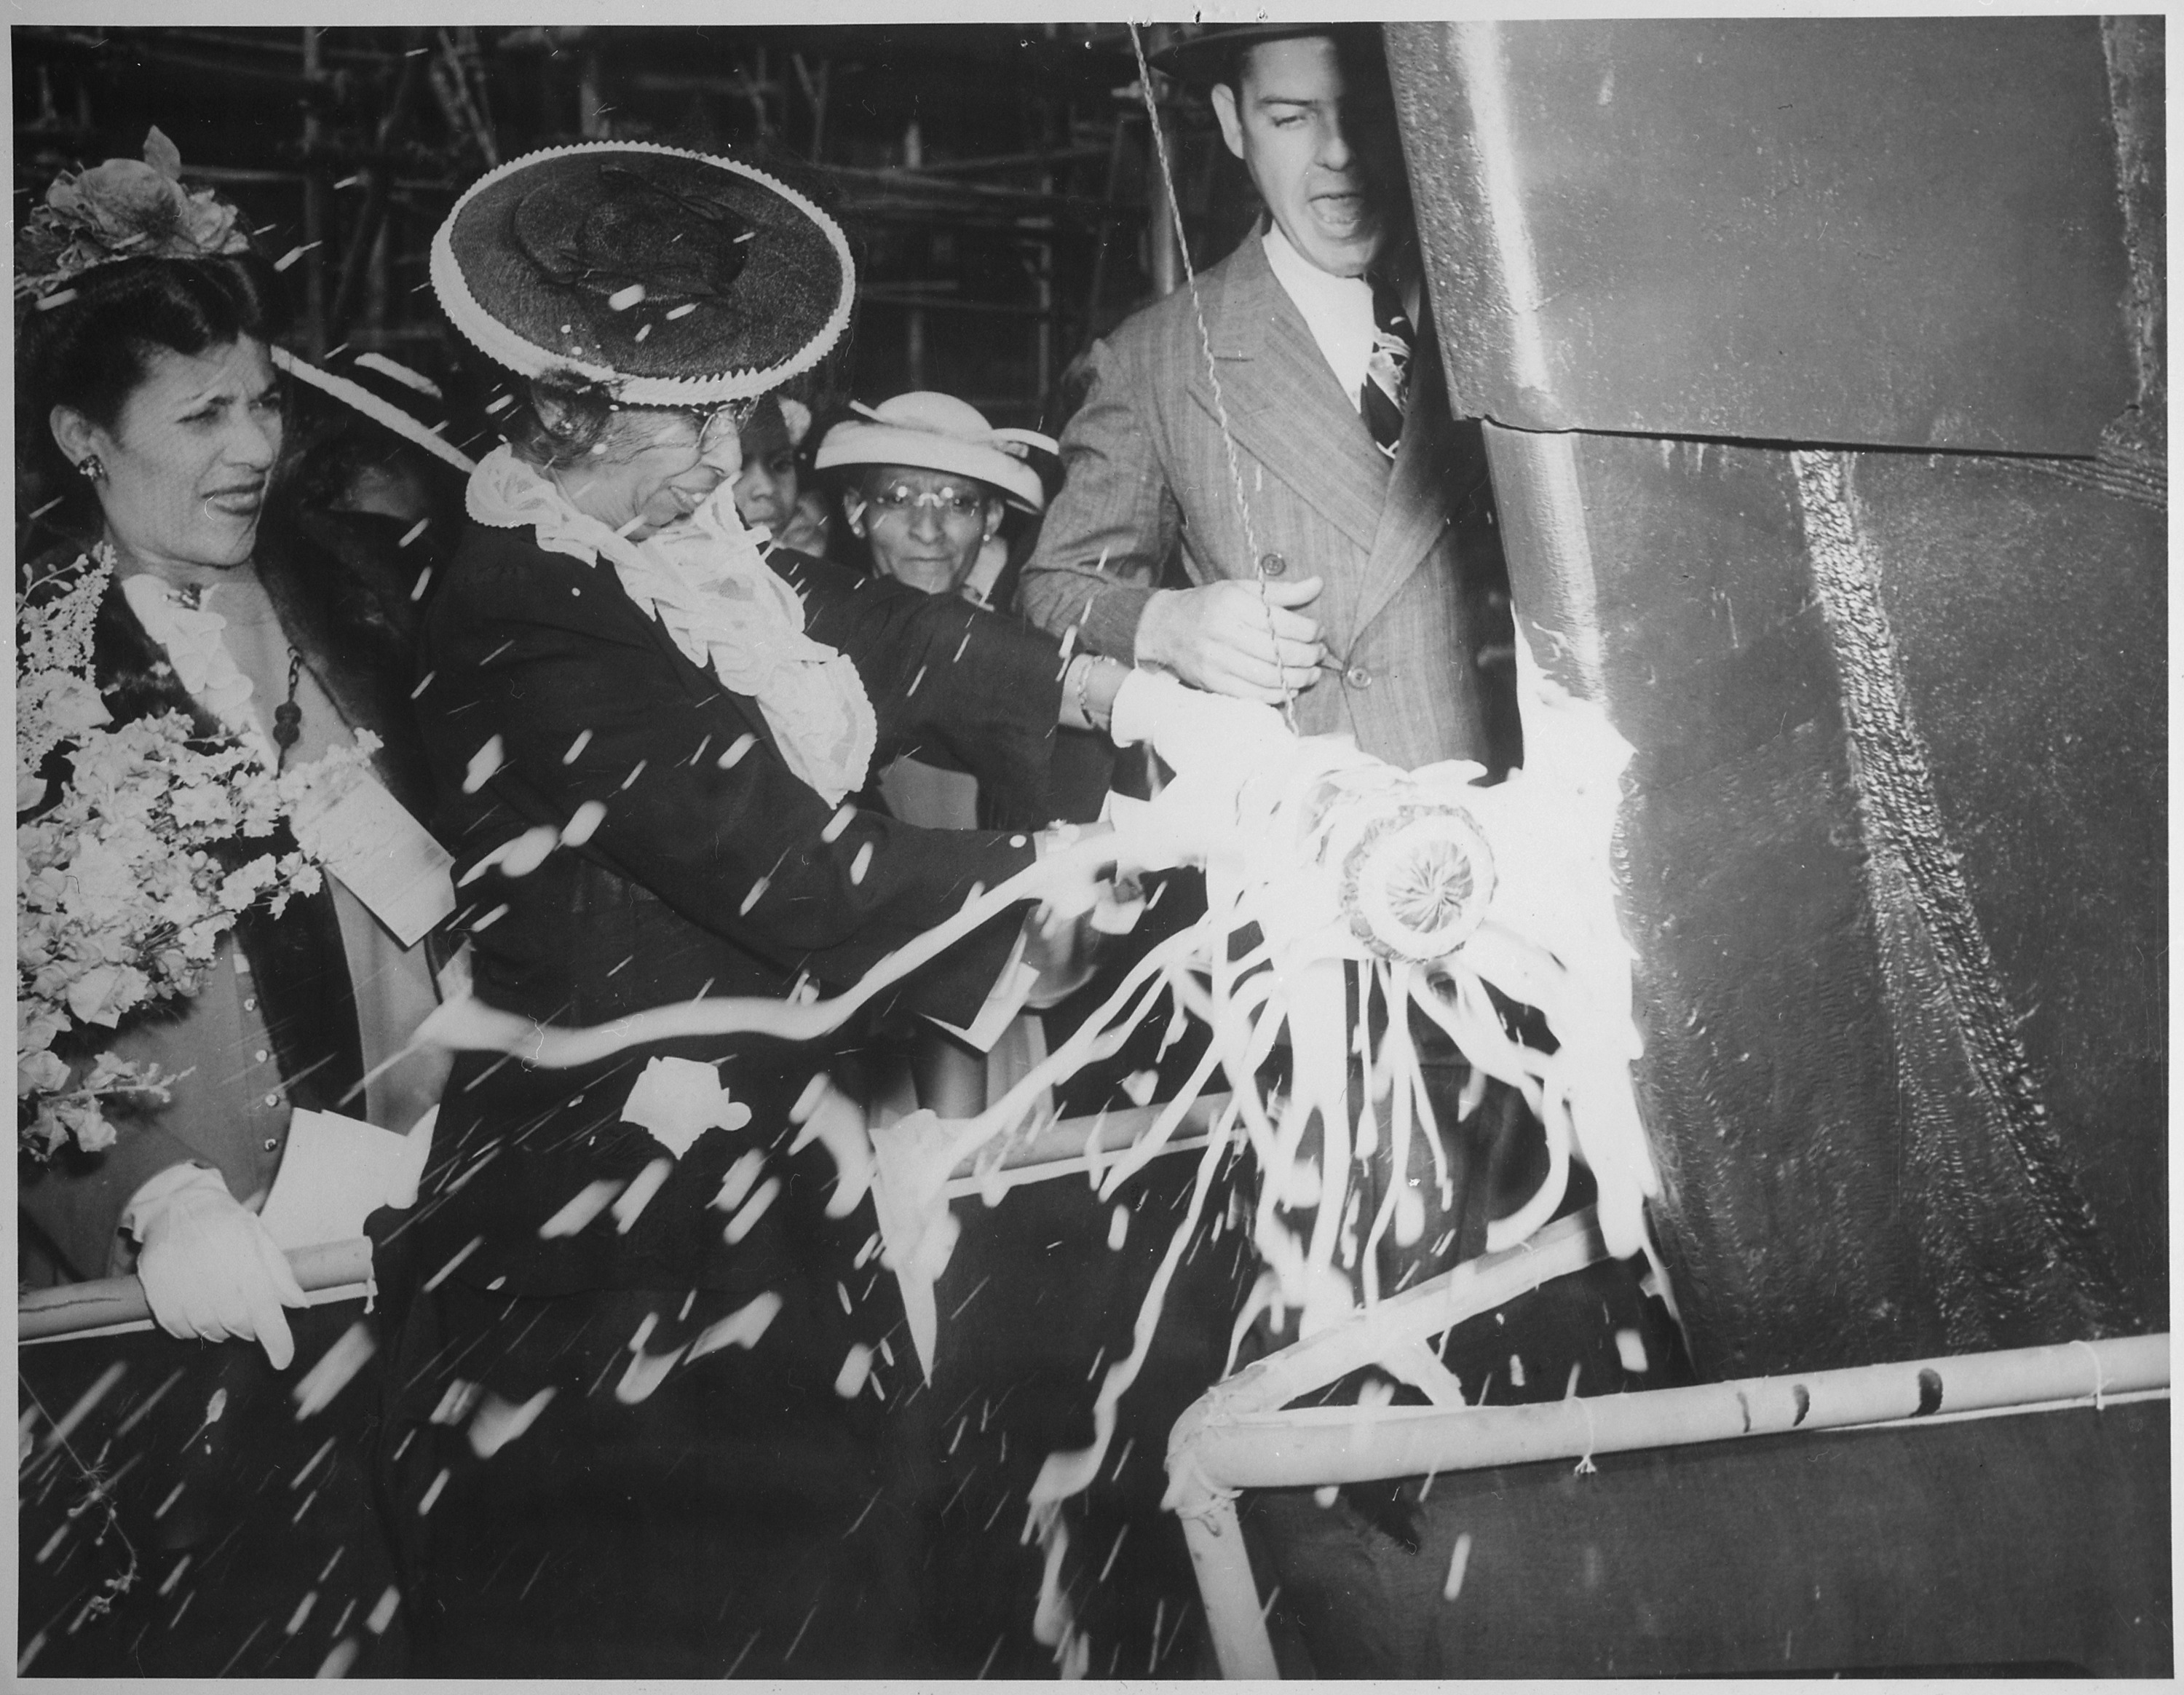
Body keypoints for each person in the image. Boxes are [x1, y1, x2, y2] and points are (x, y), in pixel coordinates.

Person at [389, 141, 1224, 1677]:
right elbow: (786, 869)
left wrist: (1126, 672)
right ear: (566, 411)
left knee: (854, 1551)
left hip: (756, 1154)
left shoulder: (673, 549)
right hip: (619, 1219)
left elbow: (869, 630)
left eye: (732, 416)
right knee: (716, 1610)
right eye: (688, 425)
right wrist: (1070, 878)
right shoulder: (528, 612)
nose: (725, 461)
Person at [16, 154, 451, 1370]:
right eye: (204, 415)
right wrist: (148, 1194)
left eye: (265, 404)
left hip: (431, 1188)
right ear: (84, 439)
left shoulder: (358, 589)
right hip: (202, 1261)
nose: (255, 444)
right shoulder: (32, 669)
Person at [1018, 23, 1508, 778]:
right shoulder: (1155, 358)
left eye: (1367, 113)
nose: (1340, 153)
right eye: (1290, 117)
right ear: (1230, 122)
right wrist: (1166, 623)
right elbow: (1052, 592)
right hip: (1309, 843)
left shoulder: (1504, 315)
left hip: (1521, 817)